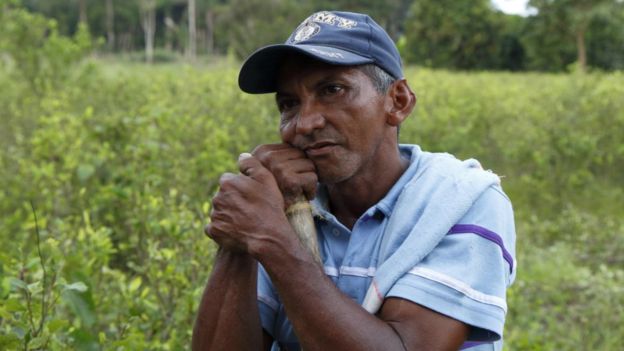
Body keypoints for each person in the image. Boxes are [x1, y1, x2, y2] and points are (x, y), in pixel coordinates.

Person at [192, 10, 516, 351]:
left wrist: (271, 240)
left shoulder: (459, 198)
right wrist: (238, 240)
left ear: (398, 101)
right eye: (289, 103)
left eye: (333, 90)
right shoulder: (283, 202)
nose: (305, 123)